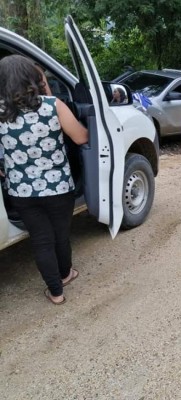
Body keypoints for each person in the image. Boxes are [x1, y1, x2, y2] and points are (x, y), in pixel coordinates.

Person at [0, 55, 89, 304]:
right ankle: (66, 274)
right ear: (33, 79)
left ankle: (56, 293)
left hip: (21, 191)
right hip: (58, 186)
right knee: (60, 235)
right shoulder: (53, 105)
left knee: (41, 240)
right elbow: (81, 138)